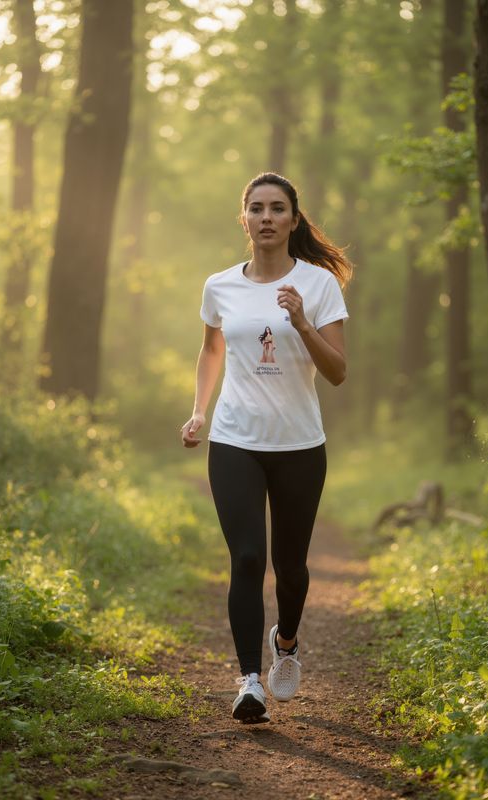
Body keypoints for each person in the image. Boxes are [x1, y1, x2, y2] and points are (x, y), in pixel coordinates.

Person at [181, 172, 351, 724]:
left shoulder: (320, 284)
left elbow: (339, 373)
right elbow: (210, 352)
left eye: (278, 208)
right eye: (257, 208)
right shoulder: (220, 285)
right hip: (235, 439)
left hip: (300, 443)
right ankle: (249, 681)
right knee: (248, 558)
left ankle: (287, 641)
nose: (267, 217)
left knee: (292, 566)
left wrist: (302, 321)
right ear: (244, 219)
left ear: (294, 220)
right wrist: (201, 410)